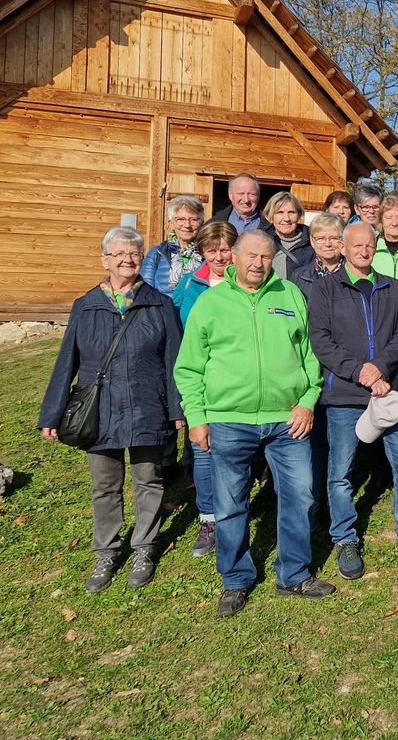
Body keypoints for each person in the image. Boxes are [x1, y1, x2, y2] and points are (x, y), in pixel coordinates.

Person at [175, 230, 335, 617]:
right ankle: (236, 579)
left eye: (266, 256)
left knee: (300, 496)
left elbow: (311, 355)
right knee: (231, 504)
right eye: (251, 256)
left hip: (287, 419)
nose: (258, 263)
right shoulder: (211, 304)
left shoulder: (289, 295)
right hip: (230, 420)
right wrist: (197, 418)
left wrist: (307, 401)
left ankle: (294, 574)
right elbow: (189, 367)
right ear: (234, 256)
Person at [39, 227, 185, 594]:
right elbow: (66, 362)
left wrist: (177, 408)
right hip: (99, 411)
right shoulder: (86, 305)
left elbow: (174, 362)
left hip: (147, 405)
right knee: (105, 487)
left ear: (141, 259)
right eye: (118, 254)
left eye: (133, 253)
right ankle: (106, 551)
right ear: (105, 259)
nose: (127, 260)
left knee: (149, 481)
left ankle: (143, 548)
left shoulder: (159, 304)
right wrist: (52, 413)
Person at [308, 222, 398, 576]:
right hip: (345, 396)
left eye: (370, 245)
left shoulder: (391, 286)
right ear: (342, 247)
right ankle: (345, 538)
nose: (364, 251)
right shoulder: (325, 289)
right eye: (357, 245)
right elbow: (321, 340)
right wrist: (359, 372)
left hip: (388, 391)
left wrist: (380, 369)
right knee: (341, 472)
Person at [171, 219, 238, 559]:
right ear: (202, 253)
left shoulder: (246, 283)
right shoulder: (190, 285)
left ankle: (237, 513)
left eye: (225, 249)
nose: (220, 256)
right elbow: (175, 331)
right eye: (212, 250)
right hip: (203, 378)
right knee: (203, 449)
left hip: (238, 381)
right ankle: (209, 518)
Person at [288, 213, 348, 520]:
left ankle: (334, 498)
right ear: (312, 242)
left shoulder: (352, 272)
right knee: (311, 439)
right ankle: (311, 505)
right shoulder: (299, 277)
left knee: (337, 438)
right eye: (321, 238)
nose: (327, 243)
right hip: (310, 361)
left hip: (342, 363)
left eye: (334, 238)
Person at [141, 195, 205, 295]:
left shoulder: (208, 254)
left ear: (202, 223)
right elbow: (145, 292)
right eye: (180, 219)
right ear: (171, 223)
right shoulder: (157, 254)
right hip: (164, 310)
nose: (187, 225)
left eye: (193, 219)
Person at [264, 192, 313, 279]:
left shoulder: (312, 242)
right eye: (280, 212)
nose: (286, 218)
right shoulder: (262, 241)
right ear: (270, 216)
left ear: (298, 215)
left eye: (291, 212)